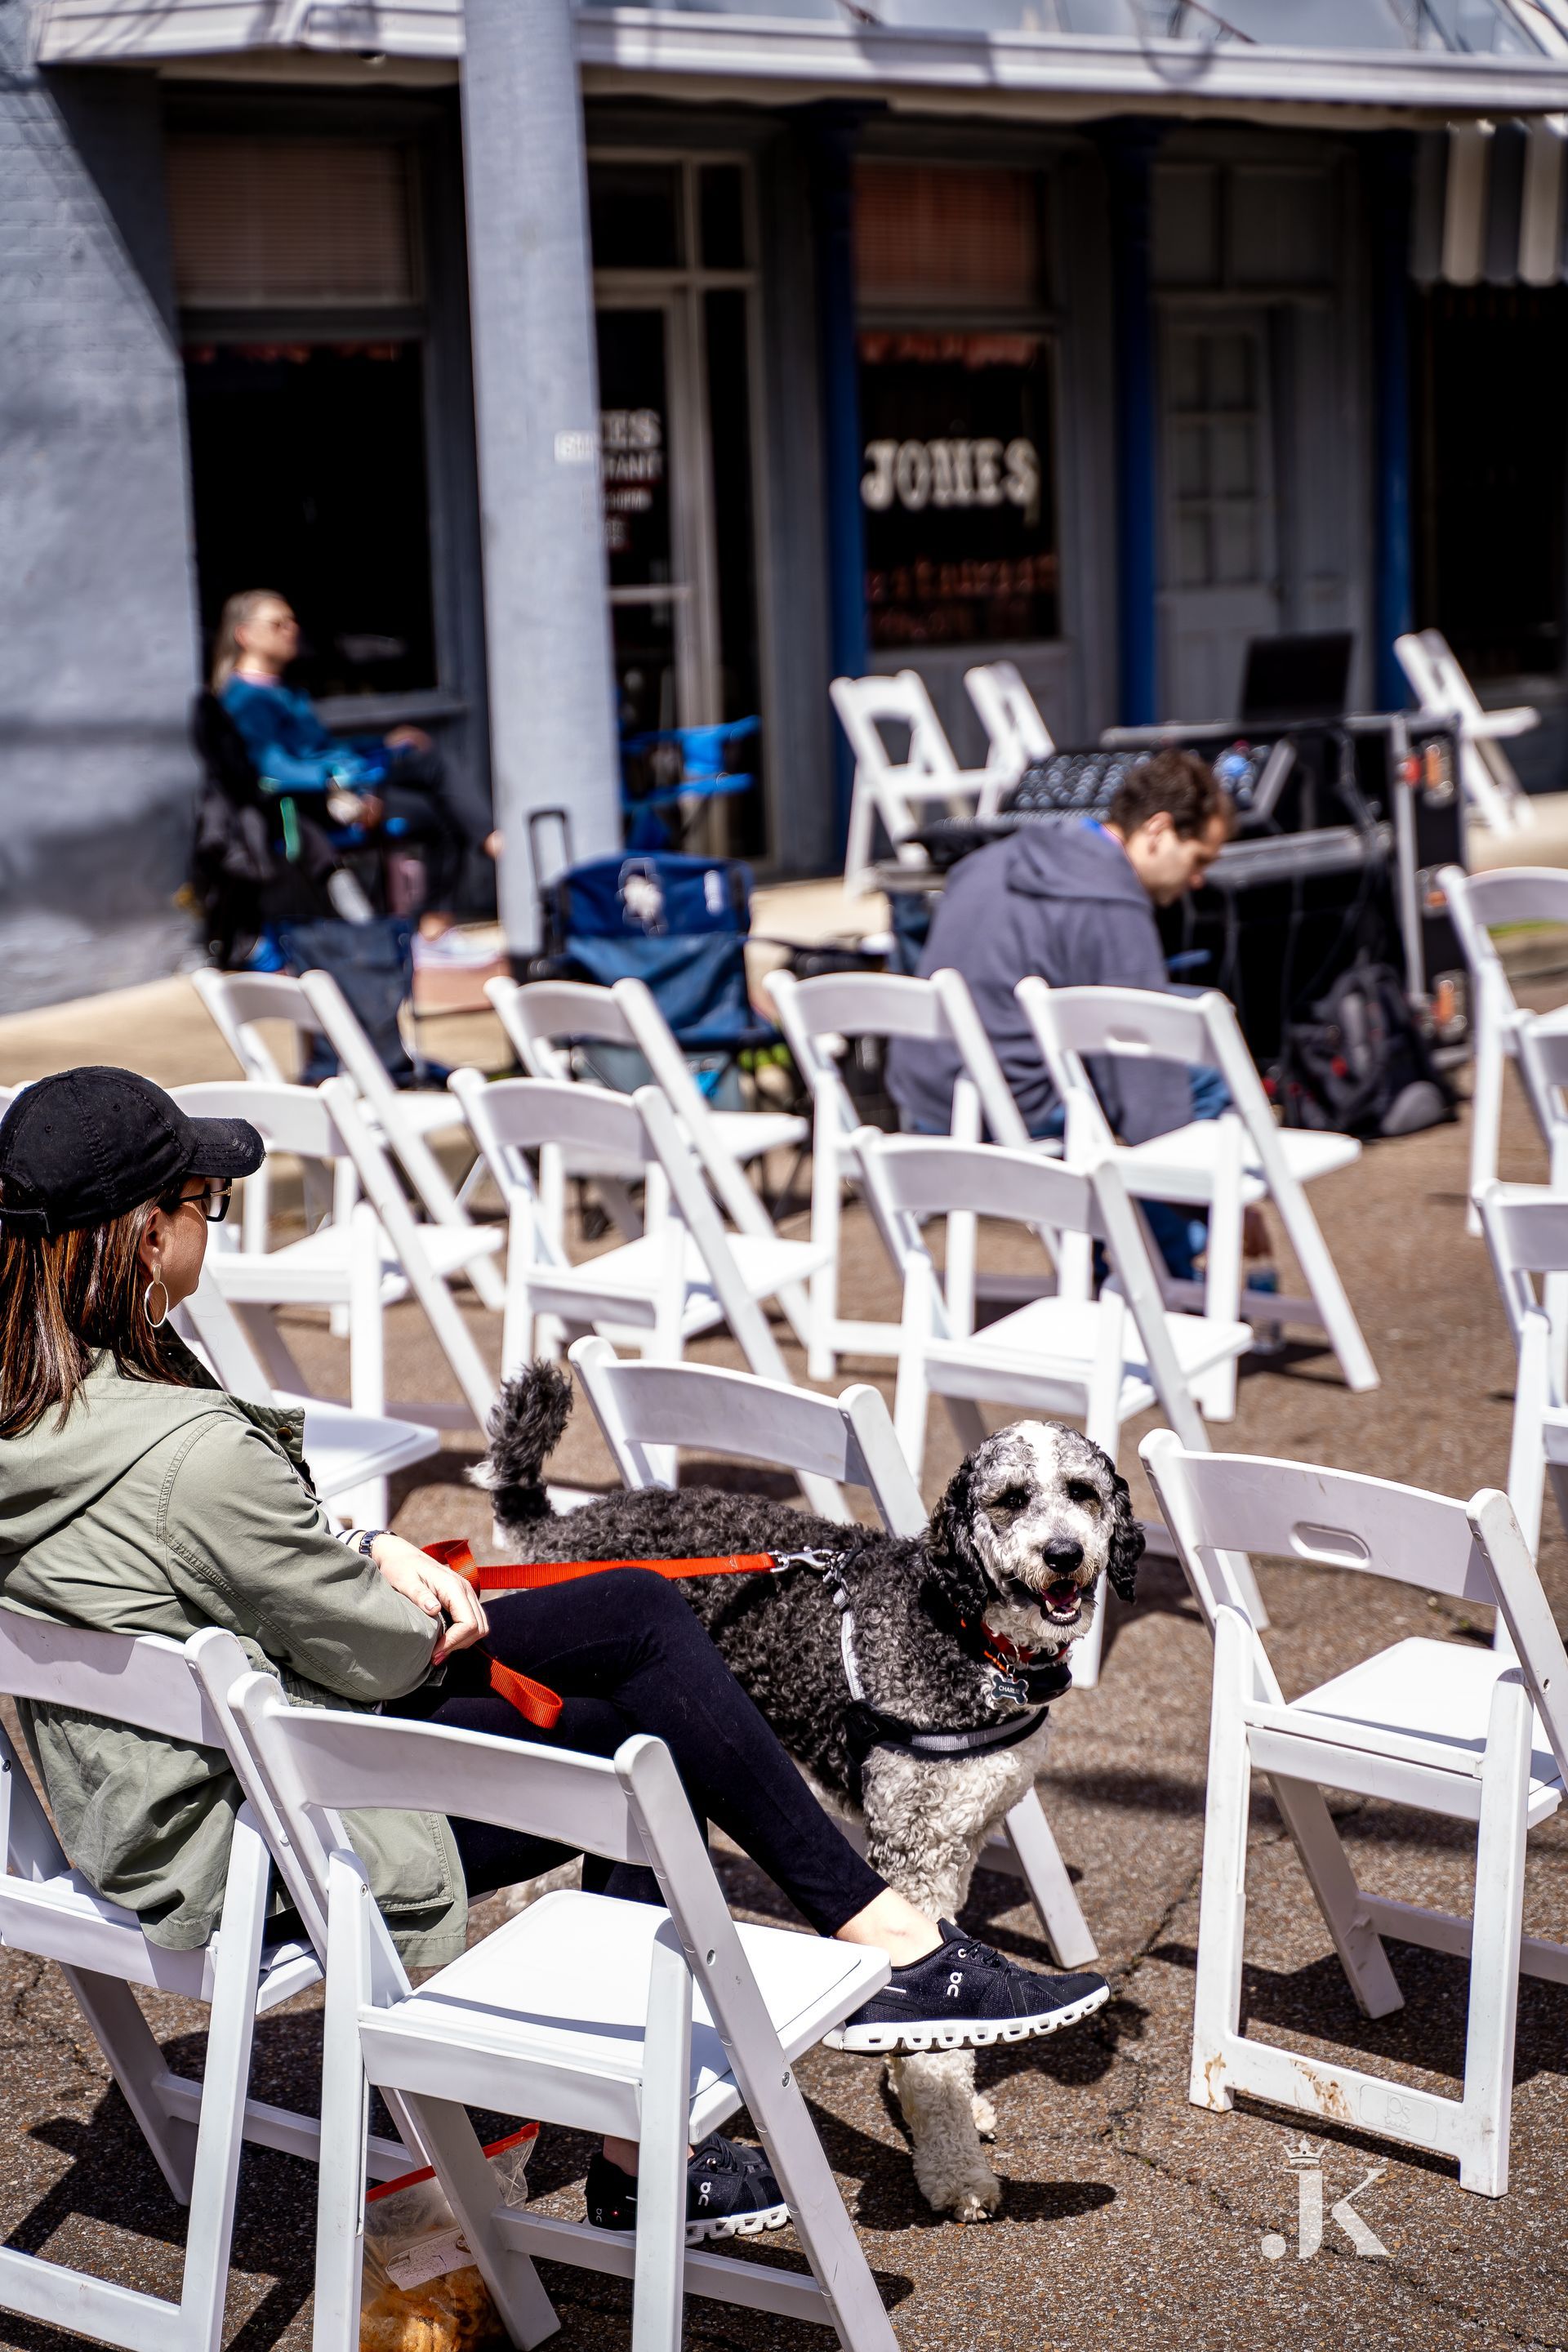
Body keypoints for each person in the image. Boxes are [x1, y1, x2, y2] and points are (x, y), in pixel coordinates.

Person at [0, 1067, 1108, 2242]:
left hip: (131, 1801)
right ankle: (754, 2064)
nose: (211, 1230)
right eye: (206, 1206)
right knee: (652, 1736)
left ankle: (852, 1974)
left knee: (634, 1621)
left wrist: (373, 1547)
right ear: (144, 1232)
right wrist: (409, 1600)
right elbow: (377, 1660)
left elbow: (215, 1565)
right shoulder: (187, 1450)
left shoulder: (44, 1399)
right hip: (265, 1832)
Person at [886, 748, 1245, 1280]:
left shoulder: (991, 861)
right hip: (1012, 1105)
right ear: (1158, 830)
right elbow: (1149, 1099)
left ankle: (1146, 1263)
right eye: (1199, 860)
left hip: (926, 1089)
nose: (1198, 881)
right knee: (1204, 1073)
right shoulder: (1111, 903)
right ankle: (1162, 1280)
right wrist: (1218, 1208)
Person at [212, 590, 499, 942]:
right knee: (436, 815)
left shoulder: (282, 690)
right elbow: (274, 769)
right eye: (277, 624)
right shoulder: (246, 699)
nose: (291, 630)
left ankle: (468, 869)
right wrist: (345, 782)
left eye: (292, 622)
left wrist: (381, 745)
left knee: (423, 758)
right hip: (316, 805)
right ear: (245, 635)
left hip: (347, 779)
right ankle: (480, 854)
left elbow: (321, 749)